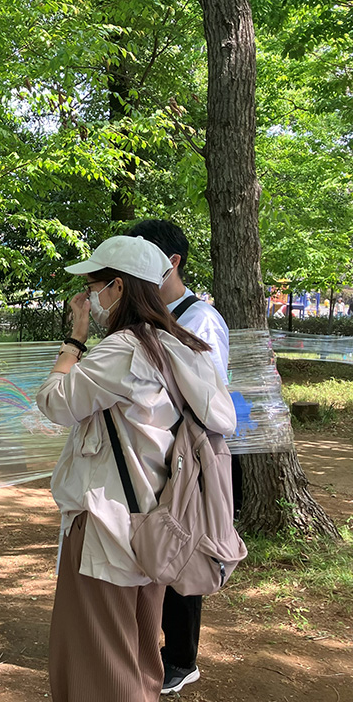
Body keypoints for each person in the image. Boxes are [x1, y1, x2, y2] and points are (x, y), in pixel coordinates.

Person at [36, 235, 236, 702]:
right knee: (142, 656)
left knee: (98, 664)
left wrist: (75, 337)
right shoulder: (180, 348)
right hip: (155, 524)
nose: (88, 298)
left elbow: (55, 402)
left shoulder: (124, 350)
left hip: (106, 526)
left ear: (119, 289)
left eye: (93, 287)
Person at [128, 219, 236, 695]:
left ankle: (182, 658)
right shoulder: (150, 315)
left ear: (171, 262)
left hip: (188, 455)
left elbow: (204, 397)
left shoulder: (199, 319)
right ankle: (156, 648)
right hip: (155, 452)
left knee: (184, 547)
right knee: (157, 543)